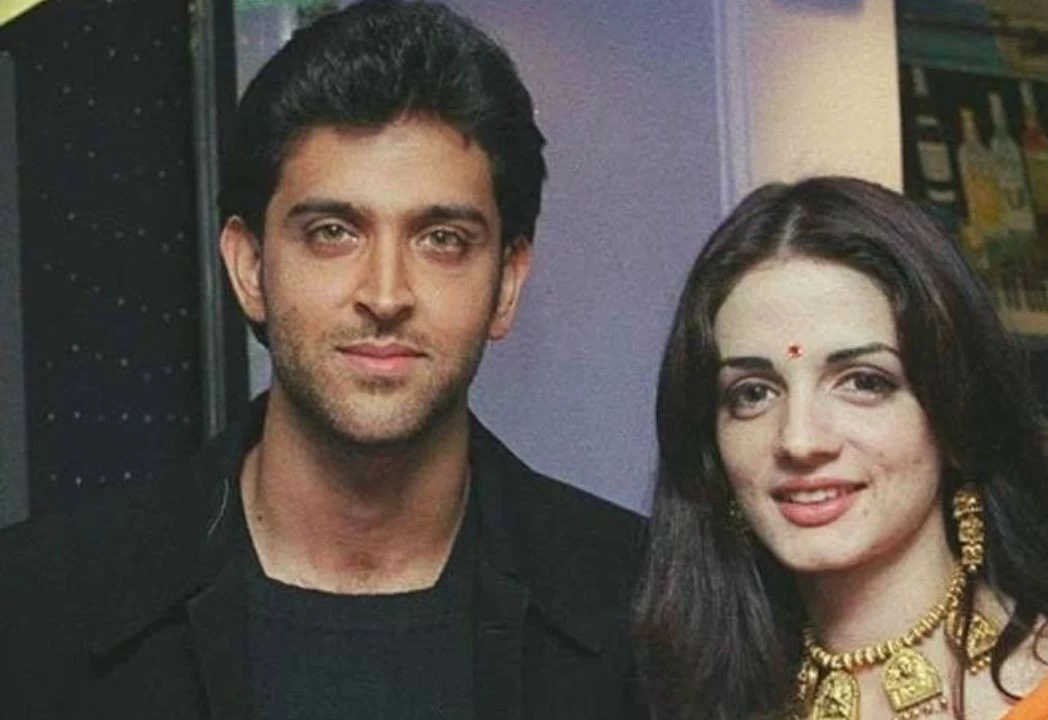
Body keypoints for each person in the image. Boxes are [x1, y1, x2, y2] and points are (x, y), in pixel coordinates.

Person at [0, 2, 645, 718]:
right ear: (249, 267)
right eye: (333, 232)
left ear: (508, 284)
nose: (386, 294)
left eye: (442, 239)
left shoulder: (645, 612)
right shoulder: (37, 610)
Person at [635, 176, 1048, 720]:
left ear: (957, 413)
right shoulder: (679, 694)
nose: (799, 439)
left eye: (864, 382)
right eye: (753, 393)